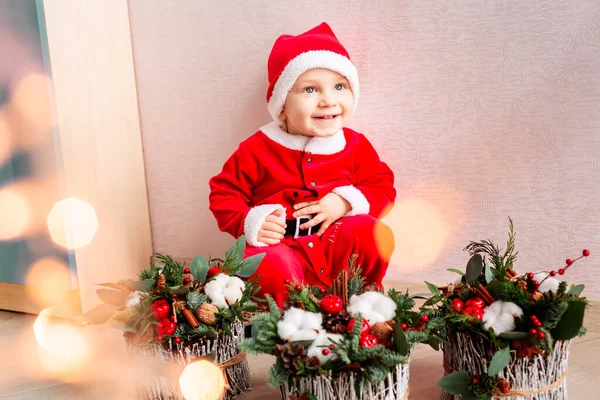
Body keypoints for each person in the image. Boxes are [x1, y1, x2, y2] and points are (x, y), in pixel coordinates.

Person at [209, 22, 396, 307]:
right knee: (267, 264)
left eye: (339, 86)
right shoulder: (259, 147)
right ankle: (290, 314)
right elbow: (224, 194)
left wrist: (345, 202)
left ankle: (360, 302)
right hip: (282, 246)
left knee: (373, 233)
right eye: (310, 90)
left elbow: (382, 186)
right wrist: (251, 222)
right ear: (282, 104)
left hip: (333, 244)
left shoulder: (353, 145)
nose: (328, 100)